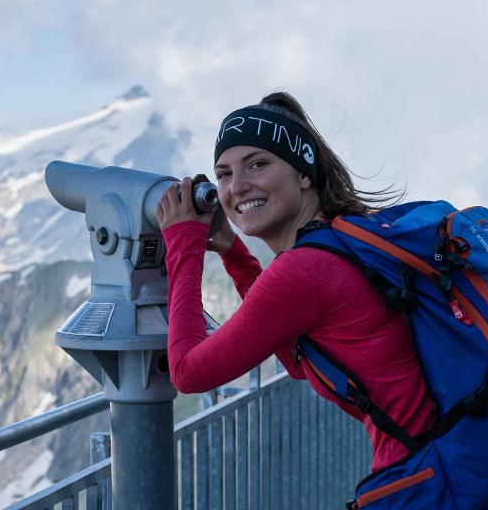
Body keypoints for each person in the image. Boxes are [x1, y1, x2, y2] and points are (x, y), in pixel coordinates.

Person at [155, 91, 439, 505]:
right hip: (441, 460)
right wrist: (233, 252)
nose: (237, 187)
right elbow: (300, 360)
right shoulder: (343, 237)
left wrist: (183, 243)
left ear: (303, 173)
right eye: (224, 173)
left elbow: (186, 372)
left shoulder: (304, 271)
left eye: (258, 164)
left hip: (424, 481)